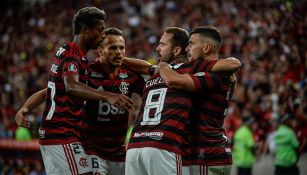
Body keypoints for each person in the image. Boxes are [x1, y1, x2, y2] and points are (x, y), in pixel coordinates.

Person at [15, 7, 134, 175]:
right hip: (62, 135)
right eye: (100, 30)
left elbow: (48, 90)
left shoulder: (71, 53)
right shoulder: (73, 55)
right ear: (85, 29)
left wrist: (25, 108)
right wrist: (109, 96)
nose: (102, 36)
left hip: (51, 136)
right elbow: (72, 87)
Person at [125, 27, 240, 175]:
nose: (187, 48)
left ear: (206, 47)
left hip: (207, 154)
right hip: (193, 153)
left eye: (191, 43)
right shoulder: (195, 70)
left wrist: (162, 66)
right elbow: (147, 68)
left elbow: (234, 63)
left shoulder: (215, 76)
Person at [82, 27, 145, 175]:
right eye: (113, 48)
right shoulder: (88, 73)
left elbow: (150, 94)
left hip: (119, 151)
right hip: (92, 150)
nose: (118, 52)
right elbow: (63, 88)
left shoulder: (131, 76)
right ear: (100, 51)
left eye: (121, 48)